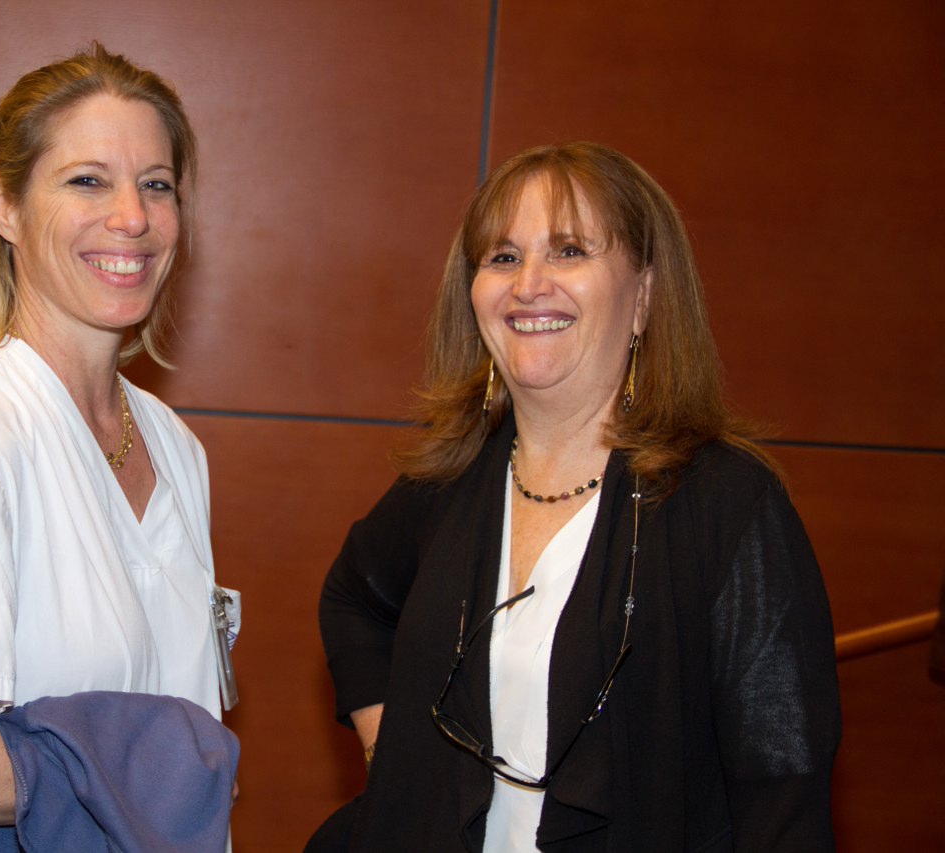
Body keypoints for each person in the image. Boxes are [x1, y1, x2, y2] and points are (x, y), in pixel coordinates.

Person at [310, 142, 840, 852]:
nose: (529, 284)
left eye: (568, 251)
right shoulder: (450, 478)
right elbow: (353, 598)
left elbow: (783, 793)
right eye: (503, 257)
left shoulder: (728, 506)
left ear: (643, 296)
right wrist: (396, 757)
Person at [0, 44, 239, 852]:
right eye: (87, 180)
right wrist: (163, 763)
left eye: (156, 184)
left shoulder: (176, 448)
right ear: (5, 206)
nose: (132, 217)